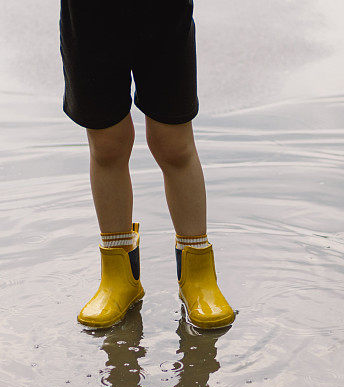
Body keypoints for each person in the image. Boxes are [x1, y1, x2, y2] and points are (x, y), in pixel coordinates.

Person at [60, 0, 234, 329]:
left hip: (162, 9)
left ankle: (198, 276)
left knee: (174, 145)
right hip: (87, 13)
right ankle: (118, 278)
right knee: (107, 144)